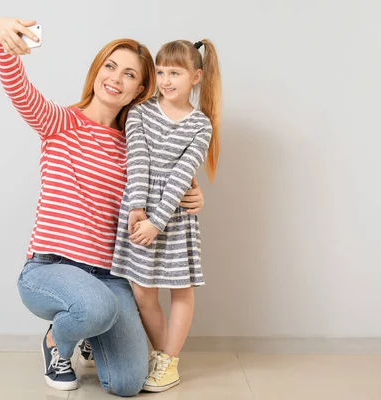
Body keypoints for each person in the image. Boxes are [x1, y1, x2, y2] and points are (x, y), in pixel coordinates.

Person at [0, 17, 205, 396]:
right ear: (97, 70)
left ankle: (89, 328)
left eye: (129, 74)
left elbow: (164, 183)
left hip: (110, 275)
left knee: (127, 384)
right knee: (96, 308)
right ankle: (58, 344)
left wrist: (193, 196)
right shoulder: (59, 122)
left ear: (141, 88)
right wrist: (0, 32)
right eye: (110, 66)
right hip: (51, 268)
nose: (116, 79)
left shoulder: (136, 142)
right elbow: (18, 88)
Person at [110, 38, 221, 392]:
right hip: (140, 209)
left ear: (196, 77)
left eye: (175, 72)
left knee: (181, 290)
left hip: (174, 216)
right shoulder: (141, 113)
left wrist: (158, 221)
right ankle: (162, 354)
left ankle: (169, 361)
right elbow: (137, 160)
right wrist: (138, 209)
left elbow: (181, 174)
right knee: (143, 291)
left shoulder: (201, 125)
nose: (167, 80)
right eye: (161, 72)